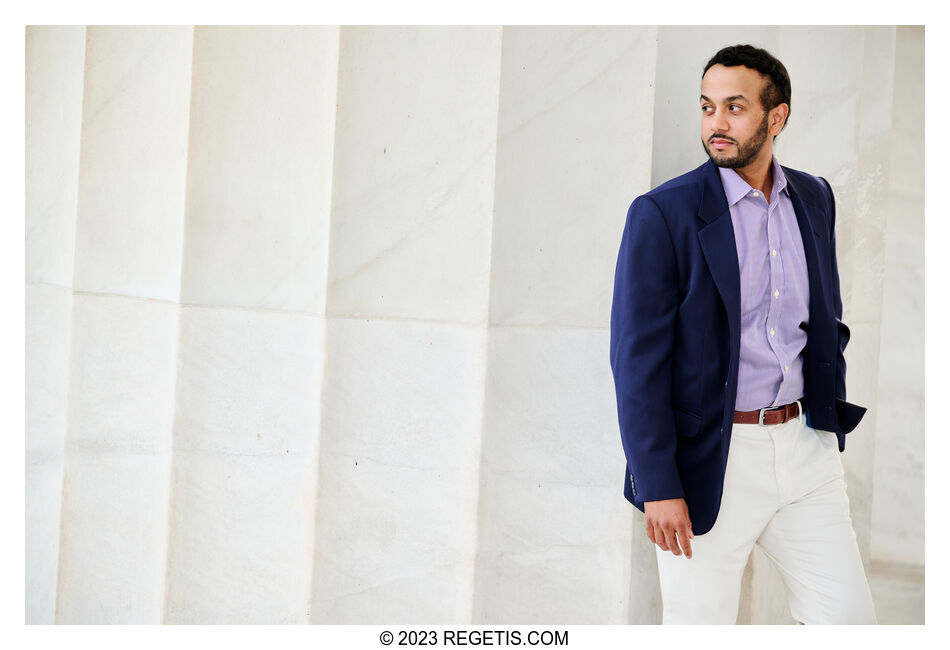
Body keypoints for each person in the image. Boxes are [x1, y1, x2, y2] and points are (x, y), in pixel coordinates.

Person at [608, 44, 877, 624]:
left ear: (776, 117)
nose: (717, 124)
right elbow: (636, 364)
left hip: (806, 451)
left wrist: (827, 417)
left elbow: (826, 317)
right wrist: (658, 484)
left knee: (850, 623)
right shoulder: (663, 214)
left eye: (735, 108)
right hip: (713, 460)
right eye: (707, 108)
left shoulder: (814, 197)